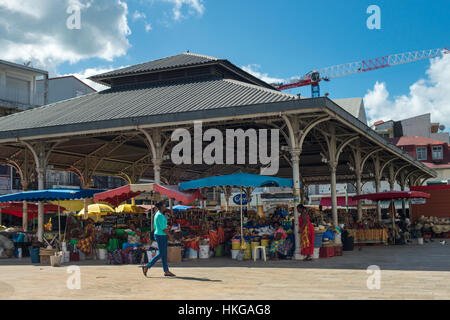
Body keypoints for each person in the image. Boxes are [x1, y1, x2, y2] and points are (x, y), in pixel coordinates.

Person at [140, 202, 176, 277]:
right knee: (161, 254)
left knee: (163, 254)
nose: (165, 206)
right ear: (161, 207)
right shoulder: (159, 215)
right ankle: (147, 266)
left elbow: (157, 227)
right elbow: (163, 229)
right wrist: (170, 236)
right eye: (164, 205)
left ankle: (166, 271)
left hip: (160, 235)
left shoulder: (158, 214)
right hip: (161, 235)